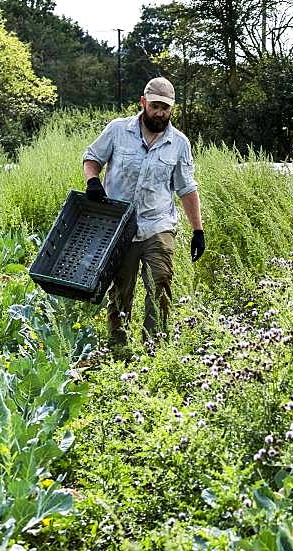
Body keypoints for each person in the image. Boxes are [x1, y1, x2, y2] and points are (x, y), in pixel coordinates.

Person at [82, 76, 205, 349]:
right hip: (121, 226)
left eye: (166, 108)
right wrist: (92, 181)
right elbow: (92, 158)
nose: (160, 113)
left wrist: (198, 230)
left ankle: (154, 349)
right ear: (143, 102)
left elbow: (186, 189)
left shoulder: (179, 143)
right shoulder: (117, 130)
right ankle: (118, 347)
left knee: (160, 284)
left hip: (158, 225)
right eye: (155, 106)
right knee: (121, 291)